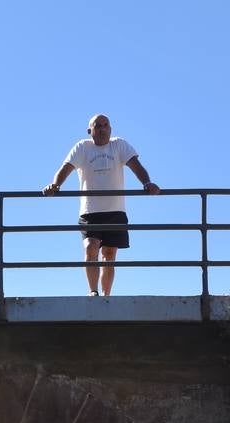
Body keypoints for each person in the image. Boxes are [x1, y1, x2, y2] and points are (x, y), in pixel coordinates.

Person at [43, 114, 159, 297]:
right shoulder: (82, 147)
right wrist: (55, 185)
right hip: (90, 210)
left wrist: (147, 183)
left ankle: (106, 296)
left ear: (110, 129)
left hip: (115, 209)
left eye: (106, 125)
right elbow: (66, 168)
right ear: (90, 130)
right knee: (91, 248)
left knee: (109, 255)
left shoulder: (119, 145)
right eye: (98, 126)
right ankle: (93, 291)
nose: (103, 129)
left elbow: (136, 166)